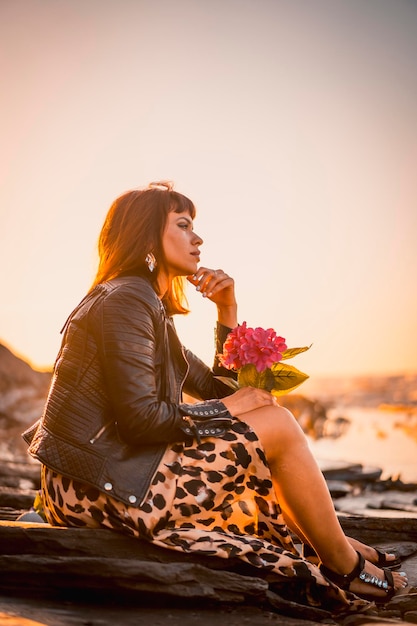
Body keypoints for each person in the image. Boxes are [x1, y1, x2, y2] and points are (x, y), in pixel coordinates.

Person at [23, 181, 408, 614]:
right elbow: (142, 419)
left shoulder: (144, 303)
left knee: (265, 415)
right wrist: (233, 407)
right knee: (276, 424)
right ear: (147, 236)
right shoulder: (127, 299)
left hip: (103, 475)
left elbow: (217, 388)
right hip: (95, 488)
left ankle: (330, 539)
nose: (198, 237)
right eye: (183, 225)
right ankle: (343, 563)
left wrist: (227, 309)